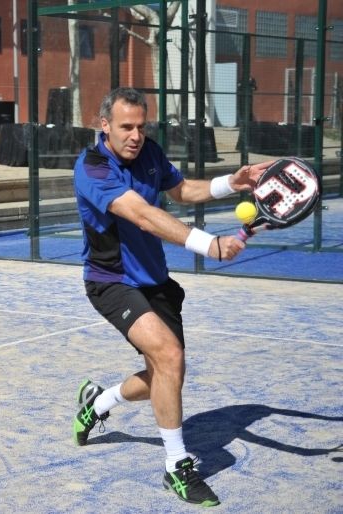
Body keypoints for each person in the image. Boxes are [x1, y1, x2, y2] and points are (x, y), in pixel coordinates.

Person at [72, 87, 272, 506]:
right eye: (126, 127)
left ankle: (99, 401)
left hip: (156, 282)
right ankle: (178, 467)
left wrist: (230, 183)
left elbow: (180, 191)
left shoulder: (149, 153)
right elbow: (144, 215)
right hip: (112, 282)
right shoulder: (92, 169)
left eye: (141, 127)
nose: (135, 135)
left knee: (167, 375)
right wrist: (208, 244)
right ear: (104, 125)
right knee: (169, 357)